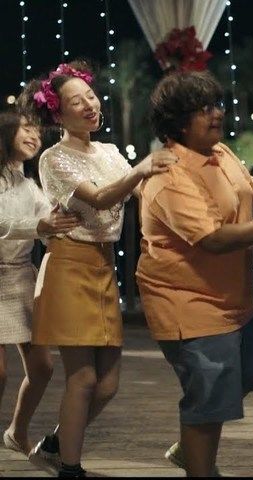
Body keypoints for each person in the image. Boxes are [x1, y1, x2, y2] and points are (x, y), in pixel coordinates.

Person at [18, 61, 176, 477]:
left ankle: (56, 445)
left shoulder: (108, 152)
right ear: (58, 114)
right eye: (76, 101)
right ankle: (70, 468)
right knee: (83, 378)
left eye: (89, 95)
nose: (89, 104)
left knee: (107, 385)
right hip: (69, 266)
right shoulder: (53, 159)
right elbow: (102, 197)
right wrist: (141, 167)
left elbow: (142, 192)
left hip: (104, 268)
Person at [136, 71, 253, 477]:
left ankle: (191, 448)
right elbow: (213, 239)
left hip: (234, 300)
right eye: (203, 109)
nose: (216, 113)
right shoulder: (169, 174)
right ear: (178, 121)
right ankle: (199, 466)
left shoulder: (220, 152)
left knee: (251, 375)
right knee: (208, 400)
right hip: (190, 304)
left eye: (216, 104)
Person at [0, 112, 81, 457]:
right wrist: (40, 226)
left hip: (20, 276)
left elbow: (49, 222)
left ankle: (17, 431)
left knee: (42, 367)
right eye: (26, 129)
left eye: (37, 130)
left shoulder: (29, 184)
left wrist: (64, 222)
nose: (34, 135)